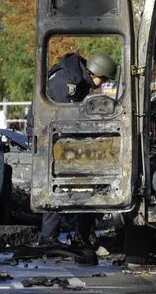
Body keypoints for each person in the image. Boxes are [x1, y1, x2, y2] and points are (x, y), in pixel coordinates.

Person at [36, 51, 117, 247]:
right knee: (55, 182)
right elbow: (66, 118)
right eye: (104, 79)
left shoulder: (78, 78)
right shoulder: (68, 82)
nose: (103, 83)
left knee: (81, 181)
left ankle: (81, 234)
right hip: (51, 135)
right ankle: (50, 237)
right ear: (96, 74)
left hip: (57, 134)